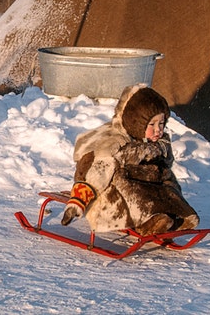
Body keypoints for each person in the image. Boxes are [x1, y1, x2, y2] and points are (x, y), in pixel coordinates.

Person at [60, 83, 199, 236]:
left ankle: (177, 214)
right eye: (151, 124)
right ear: (137, 123)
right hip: (112, 198)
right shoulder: (114, 143)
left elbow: (167, 164)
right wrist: (78, 202)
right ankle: (146, 224)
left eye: (161, 123)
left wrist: (160, 152)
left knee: (167, 180)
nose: (158, 129)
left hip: (148, 185)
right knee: (131, 189)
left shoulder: (159, 143)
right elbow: (93, 171)